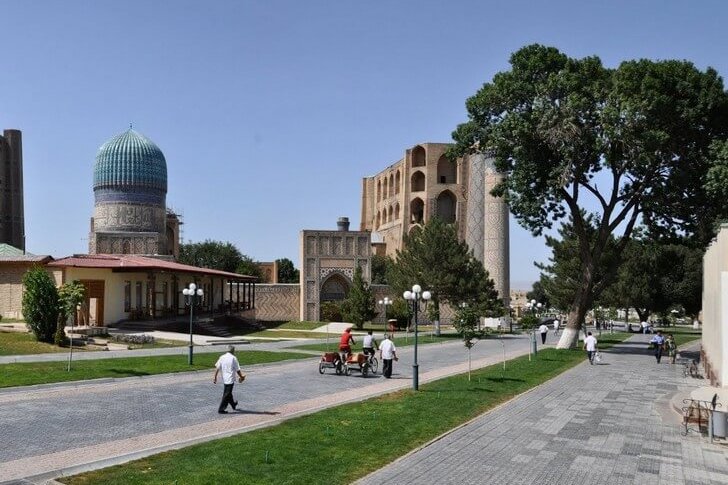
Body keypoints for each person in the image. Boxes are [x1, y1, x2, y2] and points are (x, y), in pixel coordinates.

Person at [213, 345, 246, 414]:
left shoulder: (222, 357)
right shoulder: (233, 358)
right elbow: (237, 370)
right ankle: (221, 409)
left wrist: (215, 377)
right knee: (226, 394)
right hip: (230, 379)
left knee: (228, 393)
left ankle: (233, 405)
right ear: (233, 351)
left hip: (225, 378)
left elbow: (217, 368)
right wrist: (241, 377)